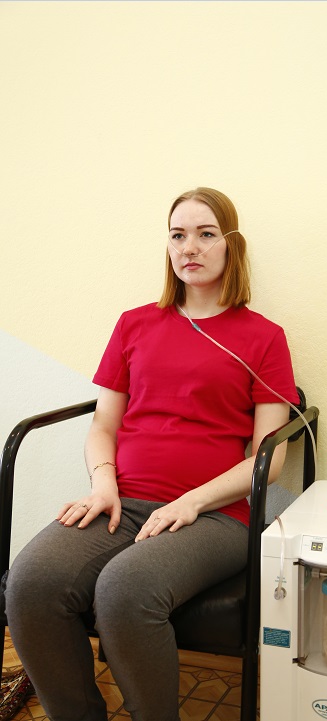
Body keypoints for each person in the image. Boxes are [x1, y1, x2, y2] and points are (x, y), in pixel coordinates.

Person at [5, 187, 299, 721]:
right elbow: (103, 425)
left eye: (206, 234)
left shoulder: (264, 338)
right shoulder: (134, 324)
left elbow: (269, 459)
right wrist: (103, 484)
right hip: (124, 501)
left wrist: (192, 502)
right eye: (178, 235)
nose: (190, 247)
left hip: (214, 518)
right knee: (29, 583)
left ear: (231, 245)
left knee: (125, 589)